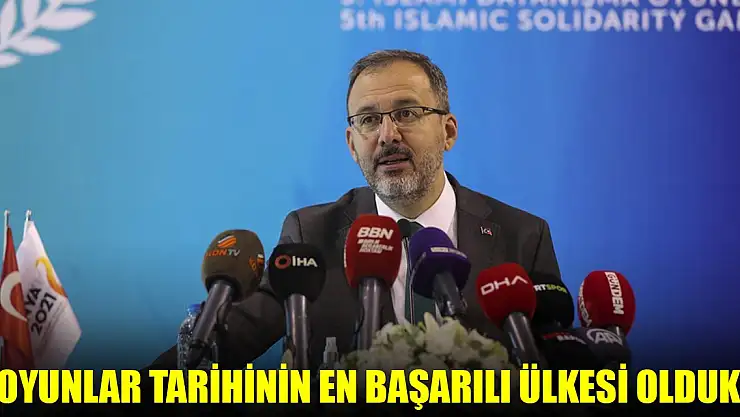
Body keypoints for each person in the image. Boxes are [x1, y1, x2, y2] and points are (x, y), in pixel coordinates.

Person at [146, 49, 567, 373]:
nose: (387, 135)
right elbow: (227, 343)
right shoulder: (311, 234)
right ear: (351, 144)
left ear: (448, 131)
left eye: (407, 113)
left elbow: (560, 370)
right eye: (368, 120)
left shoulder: (522, 236)